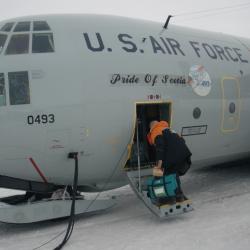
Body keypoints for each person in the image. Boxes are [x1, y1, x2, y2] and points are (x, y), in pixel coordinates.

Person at [147, 120, 192, 203]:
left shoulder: (155, 131)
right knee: (174, 175)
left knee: (167, 175)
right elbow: (182, 140)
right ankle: (180, 196)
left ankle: (170, 198)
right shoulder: (169, 129)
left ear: (151, 127)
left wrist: (159, 166)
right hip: (183, 155)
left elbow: (160, 149)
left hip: (173, 157)